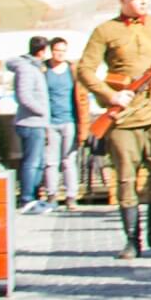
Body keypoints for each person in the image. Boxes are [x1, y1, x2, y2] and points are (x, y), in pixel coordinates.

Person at [78, 0, 151, 260]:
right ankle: (131, 239)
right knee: (125, 178)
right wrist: (109, 96)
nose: (143, 1)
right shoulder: (105, 30)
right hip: (123, 115)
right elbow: (85, 70)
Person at [6, 36, 52, 214]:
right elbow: (23, 96)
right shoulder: (26, 68)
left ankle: (34, 198)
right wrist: (42, 110)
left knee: (38, 162)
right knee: (31, 162)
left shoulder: (34, 67)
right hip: (30, 122)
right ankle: (26, 199)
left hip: (37, 122)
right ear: (41, 51)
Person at [43, 38, 88, 211]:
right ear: (51, 51)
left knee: (69, 161)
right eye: (56, 50)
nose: (60, 53)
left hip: (69, 121)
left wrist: (83, 125)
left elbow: (82, 98)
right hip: (50, 122)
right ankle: (51, 196)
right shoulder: (44, 70)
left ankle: (71, 197)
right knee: (51, 161)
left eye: (63, 50)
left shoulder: (72, 70)